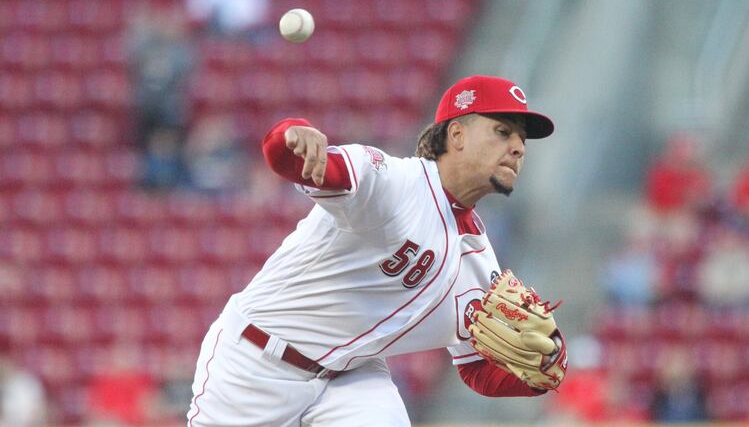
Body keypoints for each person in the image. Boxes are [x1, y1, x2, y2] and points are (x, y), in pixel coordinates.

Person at [187, 75, 559, 426]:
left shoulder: (480, 263)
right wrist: (291, 134)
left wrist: (540, 372)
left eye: (522, 139)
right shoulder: (392, 182)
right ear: (458, 135)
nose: (517, 147)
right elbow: (293, 161)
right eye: (502, 131)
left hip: (350, 378)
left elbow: (476, 369)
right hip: (255, 360)